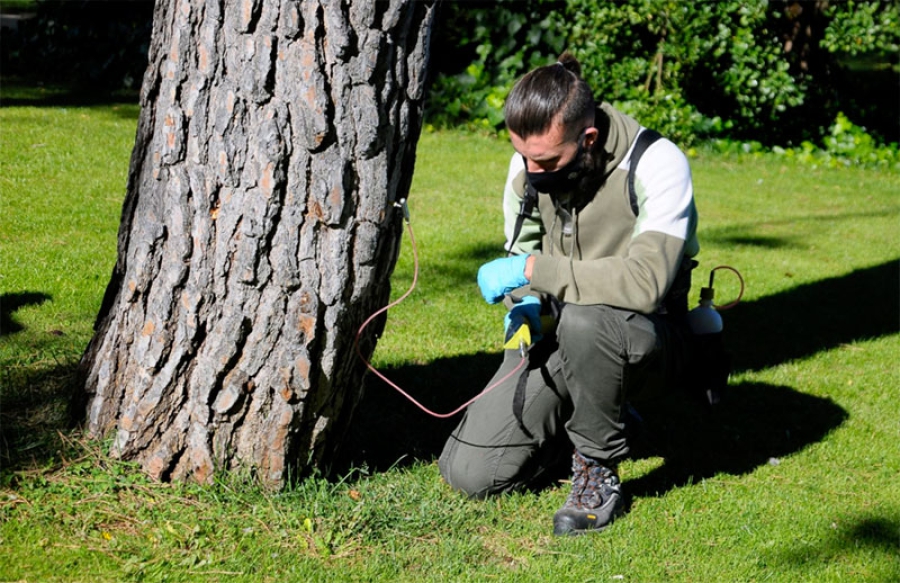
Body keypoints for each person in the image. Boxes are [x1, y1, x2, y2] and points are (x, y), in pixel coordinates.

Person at [438, 52, 701, 536]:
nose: (532, 171)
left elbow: (646, 283)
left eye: (545, 160)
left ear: (589, 138)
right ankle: (602, 414)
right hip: (564, 334)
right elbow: (522, 259)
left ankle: (597, 467)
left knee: (587, 319)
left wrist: (535, 269)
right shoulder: (529, 163)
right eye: (523, 156)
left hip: (650, 339)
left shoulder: (658, 163)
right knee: (469, 474)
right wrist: (526, 303)